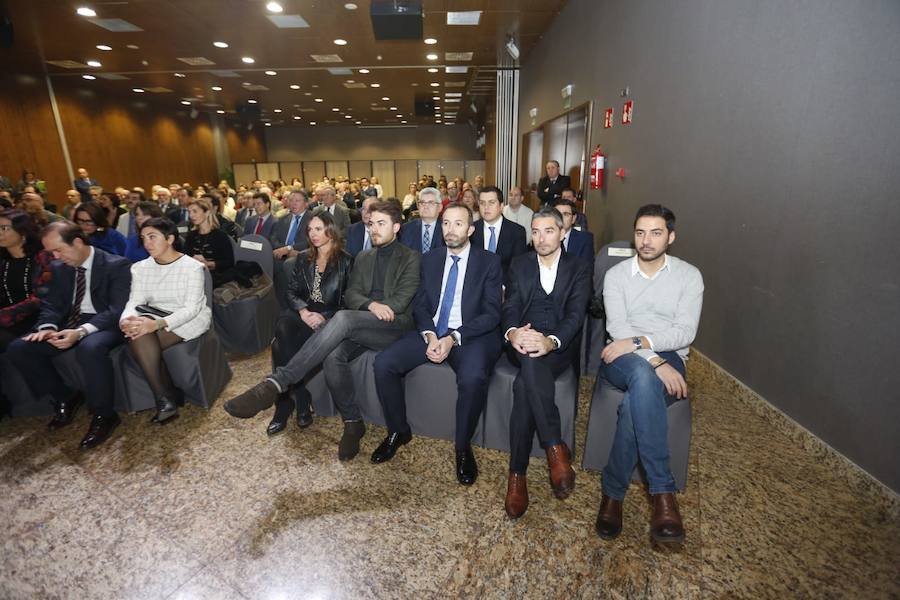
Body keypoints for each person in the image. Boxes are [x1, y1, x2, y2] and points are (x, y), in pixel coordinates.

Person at [224, 201, 420, 462]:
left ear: (396, 227)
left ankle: (278, 382)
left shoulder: (411, 257)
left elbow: (400, 301)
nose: (374, 229)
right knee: (332, 355)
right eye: (371, 223)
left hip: (394, 328)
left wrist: (373, 306)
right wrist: (370, 304)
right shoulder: (364, 257)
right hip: (362, 323)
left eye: (381, 224)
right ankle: (352, 422)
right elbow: (352, 294)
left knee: (342, 319)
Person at [594, 204, 703, 546]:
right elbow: (618, 328)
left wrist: (646, 346)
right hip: (620, 356)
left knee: (635, 401)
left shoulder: (689, 276)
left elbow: (685, 332)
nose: (646, 240)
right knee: (643, 375)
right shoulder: (617, 275)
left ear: (671, 237)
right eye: (640, 232)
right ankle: (664, 494)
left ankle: (613, 494)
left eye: (656, 233)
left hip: (663, 353)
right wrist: (655, 361)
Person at [371, 203, 503, 485]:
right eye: (445, 223)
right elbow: (420, 306)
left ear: (470, 229)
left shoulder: (489, 262)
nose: (450, 230)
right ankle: (398, 430)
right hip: (433, 331)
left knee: (473, 377)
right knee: (384, 364)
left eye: (458, 224)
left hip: (468, 335)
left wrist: (452, 338)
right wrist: (430, 335)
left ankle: (462, 446)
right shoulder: (430, 259)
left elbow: (492, 313)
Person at [6, 222, 131, 449]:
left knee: (90, 347)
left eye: (59, 250)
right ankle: (65, 396)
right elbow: (52, 304)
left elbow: (117, 309)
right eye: (51, 252)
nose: (55, 256)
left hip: (105, 323)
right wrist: (47, 327)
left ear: (78, 242)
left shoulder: (116, 265)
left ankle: (105, 414)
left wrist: (81, 332)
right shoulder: (59, 267)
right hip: (70, 322)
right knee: (19, 348)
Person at [502, 206, 592, 519]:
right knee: (527, 353)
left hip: (557, 347)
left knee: (525, 386)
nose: (541, 238)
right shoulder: (519, 264)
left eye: (549, 231)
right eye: (536, 231)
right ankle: (555, 448)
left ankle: (517, 475)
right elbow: (511, 305)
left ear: (563, 232)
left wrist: (550, 341)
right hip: (523, 339)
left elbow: (575, 316)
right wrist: (513, 333)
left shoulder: (579, 267)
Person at [119, 217, 212, 424]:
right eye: (143, 238)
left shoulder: (192, 267)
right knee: (138, 333)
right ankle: (167, 397)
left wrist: (157, 324)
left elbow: (191, 308)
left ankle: (165, 397)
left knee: (140, 340)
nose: (147, 243)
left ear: (170, 239)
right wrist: (125, 320)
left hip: (189, 318)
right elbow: (135, 301)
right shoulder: (140, 268)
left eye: (153, 237)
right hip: (153, 314)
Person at [267, 212, 352, 435]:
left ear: (331, 231)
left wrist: (324, 316)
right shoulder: (303, 258)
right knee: (282, 326)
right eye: (310, 230)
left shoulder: (346, 261)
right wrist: (303, 311)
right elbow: (291, 292)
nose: (312, 234)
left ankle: (285, 403)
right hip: (302, 313)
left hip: (329, 318)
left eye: (318, 229)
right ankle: (302, 399)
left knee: (278, 347)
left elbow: (348, 302)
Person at [471, 186, 528, 276]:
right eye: (482, 203)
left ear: (501, 206)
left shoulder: (517, 232)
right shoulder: (471, 229)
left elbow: (518, 267)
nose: (486, 207)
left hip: (505, 285)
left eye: (491, 203)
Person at [270, 189, 313, 307]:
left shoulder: (313, 219)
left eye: (297, 201)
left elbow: (309, 241)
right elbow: (274, 239)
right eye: (291, 200)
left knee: (286, 266)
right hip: (281, 255)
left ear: (306, 203)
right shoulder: (283, 219)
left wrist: (288, 249)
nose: (293, 204)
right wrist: (283, 250)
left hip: (302, 255)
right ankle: (279, 306)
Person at [183, 197, 235, 288]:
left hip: (216, 277)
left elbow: (229, 262)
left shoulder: (220, 236)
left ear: (207, 213)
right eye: (189, 212)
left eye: (195, 211)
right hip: (194, 276)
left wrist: (208, 264)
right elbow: (185, 257)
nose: (191, 215)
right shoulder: (191, 236)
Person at [399, 187, 445, 254]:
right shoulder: (406, 229)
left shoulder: (446, 229)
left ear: (440, 207)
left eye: (430, 202)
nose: (425, 206)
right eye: (422, 202)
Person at [552, 197, 594, 263]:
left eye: (565, 214)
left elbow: (587, 268)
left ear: (573, 219)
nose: (561, 218)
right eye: (557, 214)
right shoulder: (543, 237)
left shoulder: (585, 239)